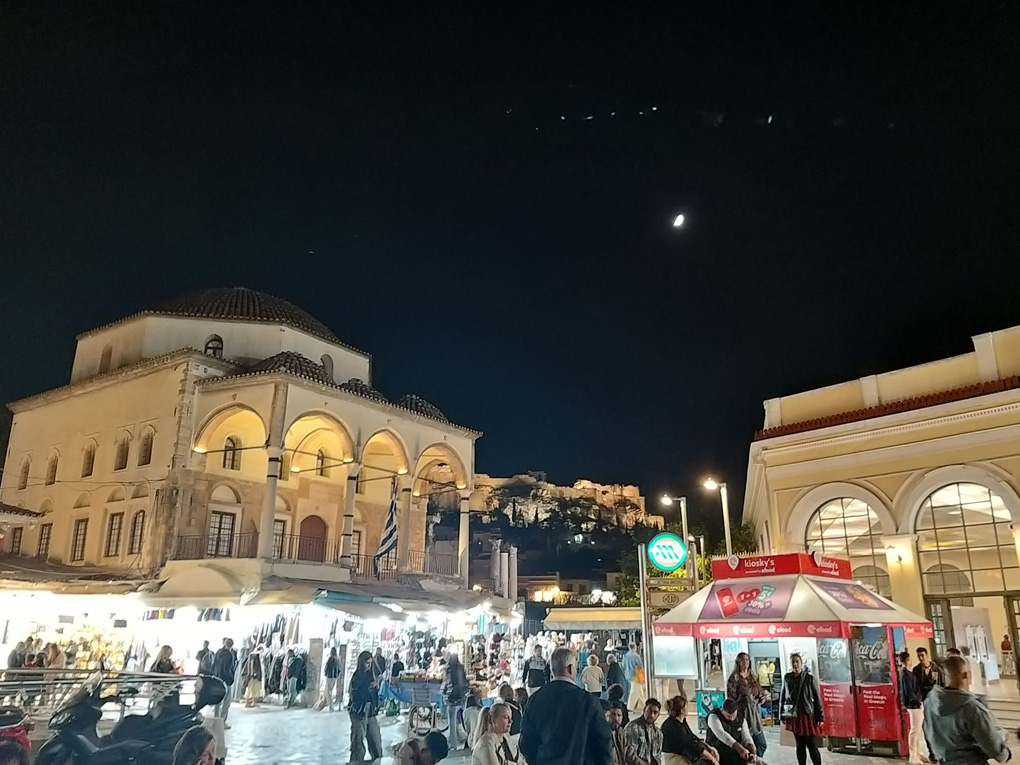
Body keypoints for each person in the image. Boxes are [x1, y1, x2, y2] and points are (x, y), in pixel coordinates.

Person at [519, 646, 611, 765]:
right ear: (570, 668)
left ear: (552, 669)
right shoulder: (588, 701)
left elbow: (525, 742)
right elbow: (603, 742)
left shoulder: (535, 700)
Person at [923, 654, 1009, 765]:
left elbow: (929, 733)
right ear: (965, 675)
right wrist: (1004, 751)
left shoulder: (930, 702)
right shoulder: (971, 708)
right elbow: (990, 743)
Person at [780, 653, 823, 765]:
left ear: (801, 663)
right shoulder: (787, 678)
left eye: (797, 661)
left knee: (812, 745)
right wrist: (782, 714)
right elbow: (783, 696)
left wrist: (820, 716)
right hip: (794, 715)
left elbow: (817, 698)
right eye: (793, 662)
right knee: (800, 745)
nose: (795, 664)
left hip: (807, 715)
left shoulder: (809, 679)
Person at [727, 652, 768, 757]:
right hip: (742, 715)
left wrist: (763, 697)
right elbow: (731, 699)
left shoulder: (752, 677)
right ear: (738, 662)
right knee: (746, 744)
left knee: (761, 744)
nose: (745, 662)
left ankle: (754, 760)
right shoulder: (734, 678)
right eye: (743, 660)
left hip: (755, 715)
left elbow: (759, 691)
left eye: (747, 660)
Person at [661, 695, 719, 765]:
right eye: (686, 706)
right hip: (674, 758)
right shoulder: (673, 726)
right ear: (682, 710)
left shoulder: (681, 722)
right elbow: (691, 746)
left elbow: (692, 737)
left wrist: (709, 747)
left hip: (682, 754)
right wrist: (713, 760)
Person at [349, 650, 383, 762]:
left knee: (376, 742)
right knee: (357, 745)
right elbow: (355, 696)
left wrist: (375, 687)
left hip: (370, 712)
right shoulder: (356, 677)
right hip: (359, 713)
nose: (369, 666)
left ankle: (378, 761)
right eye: (367, 663)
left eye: (370, 663)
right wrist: (369, 688)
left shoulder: (371, 675)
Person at [706, 699, 757, 765]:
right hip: (716, 753)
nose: (732, 718)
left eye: (734, 715)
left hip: (733, 755)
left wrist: (752, 751)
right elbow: (722, 734)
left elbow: (747, 737)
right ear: (722, 710)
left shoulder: (741, 720)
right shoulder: (713, 717)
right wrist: (739, 748)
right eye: (728, 716)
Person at [899, 651, 928, 765]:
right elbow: (909, 691)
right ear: (908, 659)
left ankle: (916, 753)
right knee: (915, 730)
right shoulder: (906, 674)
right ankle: (913, 755)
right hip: (914, 704)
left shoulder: (906, 673)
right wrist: (917, 701)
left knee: (916, 730)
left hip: (914, 703)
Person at [624, 698, 663, 765]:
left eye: (655, 712)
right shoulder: (632, 727)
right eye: (649, 711)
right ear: (644, 710)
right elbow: (629, 755)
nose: (651, 715)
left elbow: (657, 756)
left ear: (658, 714)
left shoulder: (658, 733)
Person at [444, 653, 469, 750]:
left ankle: (453, 744)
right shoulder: (461, 667)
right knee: (463, 719)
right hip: (462, 697)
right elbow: (465, 680)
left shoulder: (448, 669)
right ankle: (464, 738)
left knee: (452, 722)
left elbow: (448, 683)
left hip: (453, 699)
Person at [212, 638, 237, 724]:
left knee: (218, 701)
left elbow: (214, 665)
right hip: (226, 680)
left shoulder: (218, 652)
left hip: (217, 679)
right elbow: (226, 668)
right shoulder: (229, 655)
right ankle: (222, 721)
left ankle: (216, 720)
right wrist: (230, 678)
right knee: (227, 701)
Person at [323, 646, 341, 712]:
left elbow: (327, 668)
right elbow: (339, 669)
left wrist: (326, 673)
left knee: (328, 692)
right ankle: (326, 705)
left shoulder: (331, 659)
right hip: (334, 677)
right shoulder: (337, 659)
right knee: (329, 691)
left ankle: (331, 707)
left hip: (330, 676)